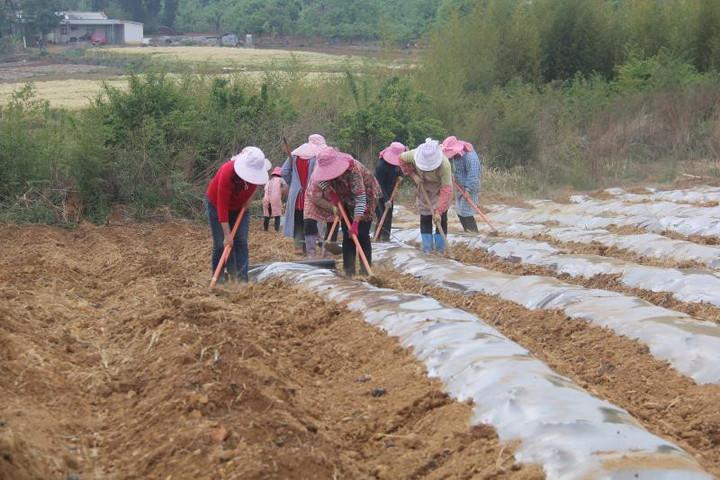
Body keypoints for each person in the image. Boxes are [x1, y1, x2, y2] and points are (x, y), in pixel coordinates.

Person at [310, 146, 380, 276]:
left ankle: (365, 271)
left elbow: (360, 198)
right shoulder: (321, 167)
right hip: (344, 197)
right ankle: (349, 270)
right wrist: (332, 195)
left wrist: (356, 223)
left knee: (362, 234)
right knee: (348, 235)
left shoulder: (352, 171)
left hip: (365, 195)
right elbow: (320, 181)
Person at [206, 146, 271, 283]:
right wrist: (227, 234)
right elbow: (222, 206)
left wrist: (249, 199)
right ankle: (218, 280)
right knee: (221, 244)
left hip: (240, 207)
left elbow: (256, 185)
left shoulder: (257, 173)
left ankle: (241, 280)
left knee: (241, 241)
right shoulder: (227, 172)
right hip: (217, 205)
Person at [398, 138, 452, 254]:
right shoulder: (413, 154)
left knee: (441, 220)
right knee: (425, 217)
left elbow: (446, 190)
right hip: (423, 187)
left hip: (439, 189)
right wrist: (412, 175)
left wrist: (438, 211)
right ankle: (427, 248)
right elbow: (401, 159)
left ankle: (440, 249)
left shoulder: (445, 165)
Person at [281, 134, 327, 254]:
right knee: (310, 221)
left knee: (298, 221)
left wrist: (294, 185)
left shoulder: (295, 154)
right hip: (310, 194)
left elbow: (284, 171)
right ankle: (308, 248)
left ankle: (298, 247)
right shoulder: (316, 156)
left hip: (295, 195)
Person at [442, 135, 481, 232]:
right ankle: (467, 232)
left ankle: (473, 233)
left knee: (465, 212)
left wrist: (468, 190)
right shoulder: (456, 156)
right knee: (459, 211)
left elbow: (474, 174)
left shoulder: (470, 157)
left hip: (470, 187)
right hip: (460, 186)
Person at [374, 141, 406, 241]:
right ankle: (378, 237)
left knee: (388, 214)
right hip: (378, 192)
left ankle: (385, 238)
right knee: (381, 214)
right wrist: (386, 199)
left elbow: (400, 171)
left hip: (390, 191)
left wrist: (400, 176)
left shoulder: (397, 163)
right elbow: (378, 185)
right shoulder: (381, 166)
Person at [303, 176, 339, 257]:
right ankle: (311, 253)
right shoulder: (316, 178)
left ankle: (328, 253)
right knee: (309, 222)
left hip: (333, 201)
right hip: (313, 199)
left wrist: (338, 207)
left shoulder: (340, 178)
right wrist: (332, 208)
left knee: (334, 224)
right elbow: (315, 198)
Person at [262, 166, 287, 232]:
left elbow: (265, 190)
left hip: (266, 199)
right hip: (275, 199)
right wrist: (283, 194)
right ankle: (276, 230)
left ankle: (265, 230)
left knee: (266, 215)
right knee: (277, 215)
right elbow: (285, 188)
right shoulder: (281, 179)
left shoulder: (269, 181)